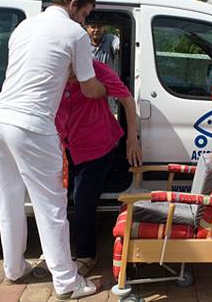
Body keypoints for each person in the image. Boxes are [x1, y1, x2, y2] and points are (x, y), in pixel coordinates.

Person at [0, 0, 106, 301]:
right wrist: (109, 90)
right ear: (73, 5)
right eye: (85, 13)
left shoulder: (24, 27)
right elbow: (88, 86)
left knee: (9, 199)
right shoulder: (74, 33)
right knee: (51, 205)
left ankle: (13, 269)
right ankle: (67, 281)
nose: (85, 21)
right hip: (33, 126)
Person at [56, 59, 142, 276]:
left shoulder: (97, 69)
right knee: (60, 200)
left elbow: (127, 100)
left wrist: (132, 139)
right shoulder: (52, 69)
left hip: (98, 146)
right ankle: (57, 248)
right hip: (66, 145)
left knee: (83, 200)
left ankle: (86, 255)